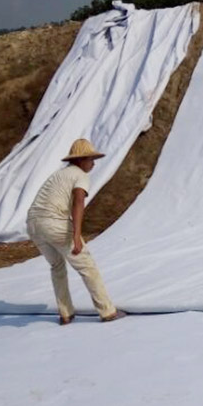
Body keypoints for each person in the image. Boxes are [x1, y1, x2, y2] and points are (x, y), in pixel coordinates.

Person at [26, 138, 125, 324]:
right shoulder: (80, 175)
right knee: (88, 267)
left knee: (57, 266)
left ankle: (65, 314)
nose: (93, 163)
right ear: (80, 160)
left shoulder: (59, 175)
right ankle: (107, 311)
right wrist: (77, 237)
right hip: (54, 223)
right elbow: (78, 203)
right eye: (90, 159)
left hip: (33, 224)